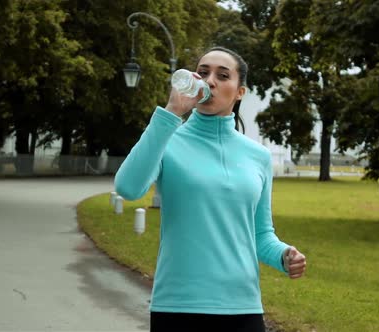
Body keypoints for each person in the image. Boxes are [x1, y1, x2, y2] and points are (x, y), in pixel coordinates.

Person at [114, 46, 307, 332]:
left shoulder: (259, 156)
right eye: (203, 73)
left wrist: (284, 255)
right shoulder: (168, 137)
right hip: (178, 306)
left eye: (222, 75)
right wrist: (171, 113)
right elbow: (128, 188)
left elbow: (260, 235)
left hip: (243, 307)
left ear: (240, 91)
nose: (210, 81)